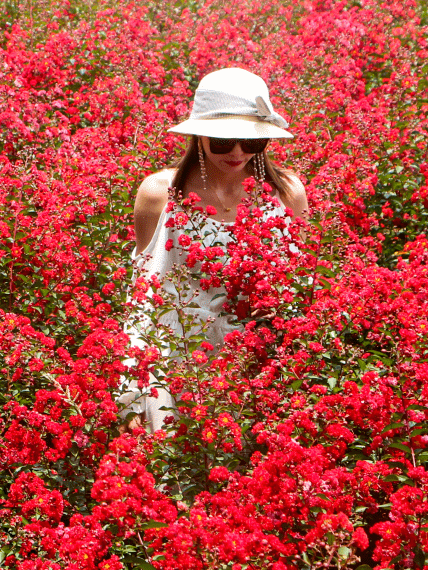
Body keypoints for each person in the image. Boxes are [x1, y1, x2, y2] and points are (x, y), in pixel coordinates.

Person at [118, 67, 308, 435]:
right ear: (198, 135)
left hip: (257, 367)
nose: (237, 152)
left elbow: (296, 291)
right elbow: (143, 296)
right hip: (178, 365)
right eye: (222, 141)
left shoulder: (287, 194)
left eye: (250, 141)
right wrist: (133, 388)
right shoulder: (159, 193)